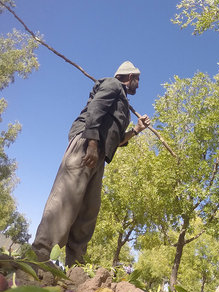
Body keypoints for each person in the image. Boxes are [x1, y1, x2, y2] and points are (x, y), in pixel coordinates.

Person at [32, 61, 150, 267]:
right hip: (86, 146)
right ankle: (40, 258)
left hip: (99, 155)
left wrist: (137, 130)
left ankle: (75, 268)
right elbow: (95, 108)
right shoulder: (112, 84)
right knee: (66, 200)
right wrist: (92, 144)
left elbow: (116, 139)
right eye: (137, 80)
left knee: (88, 211)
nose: (138, 86)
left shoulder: (122, 103)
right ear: (130, 77)